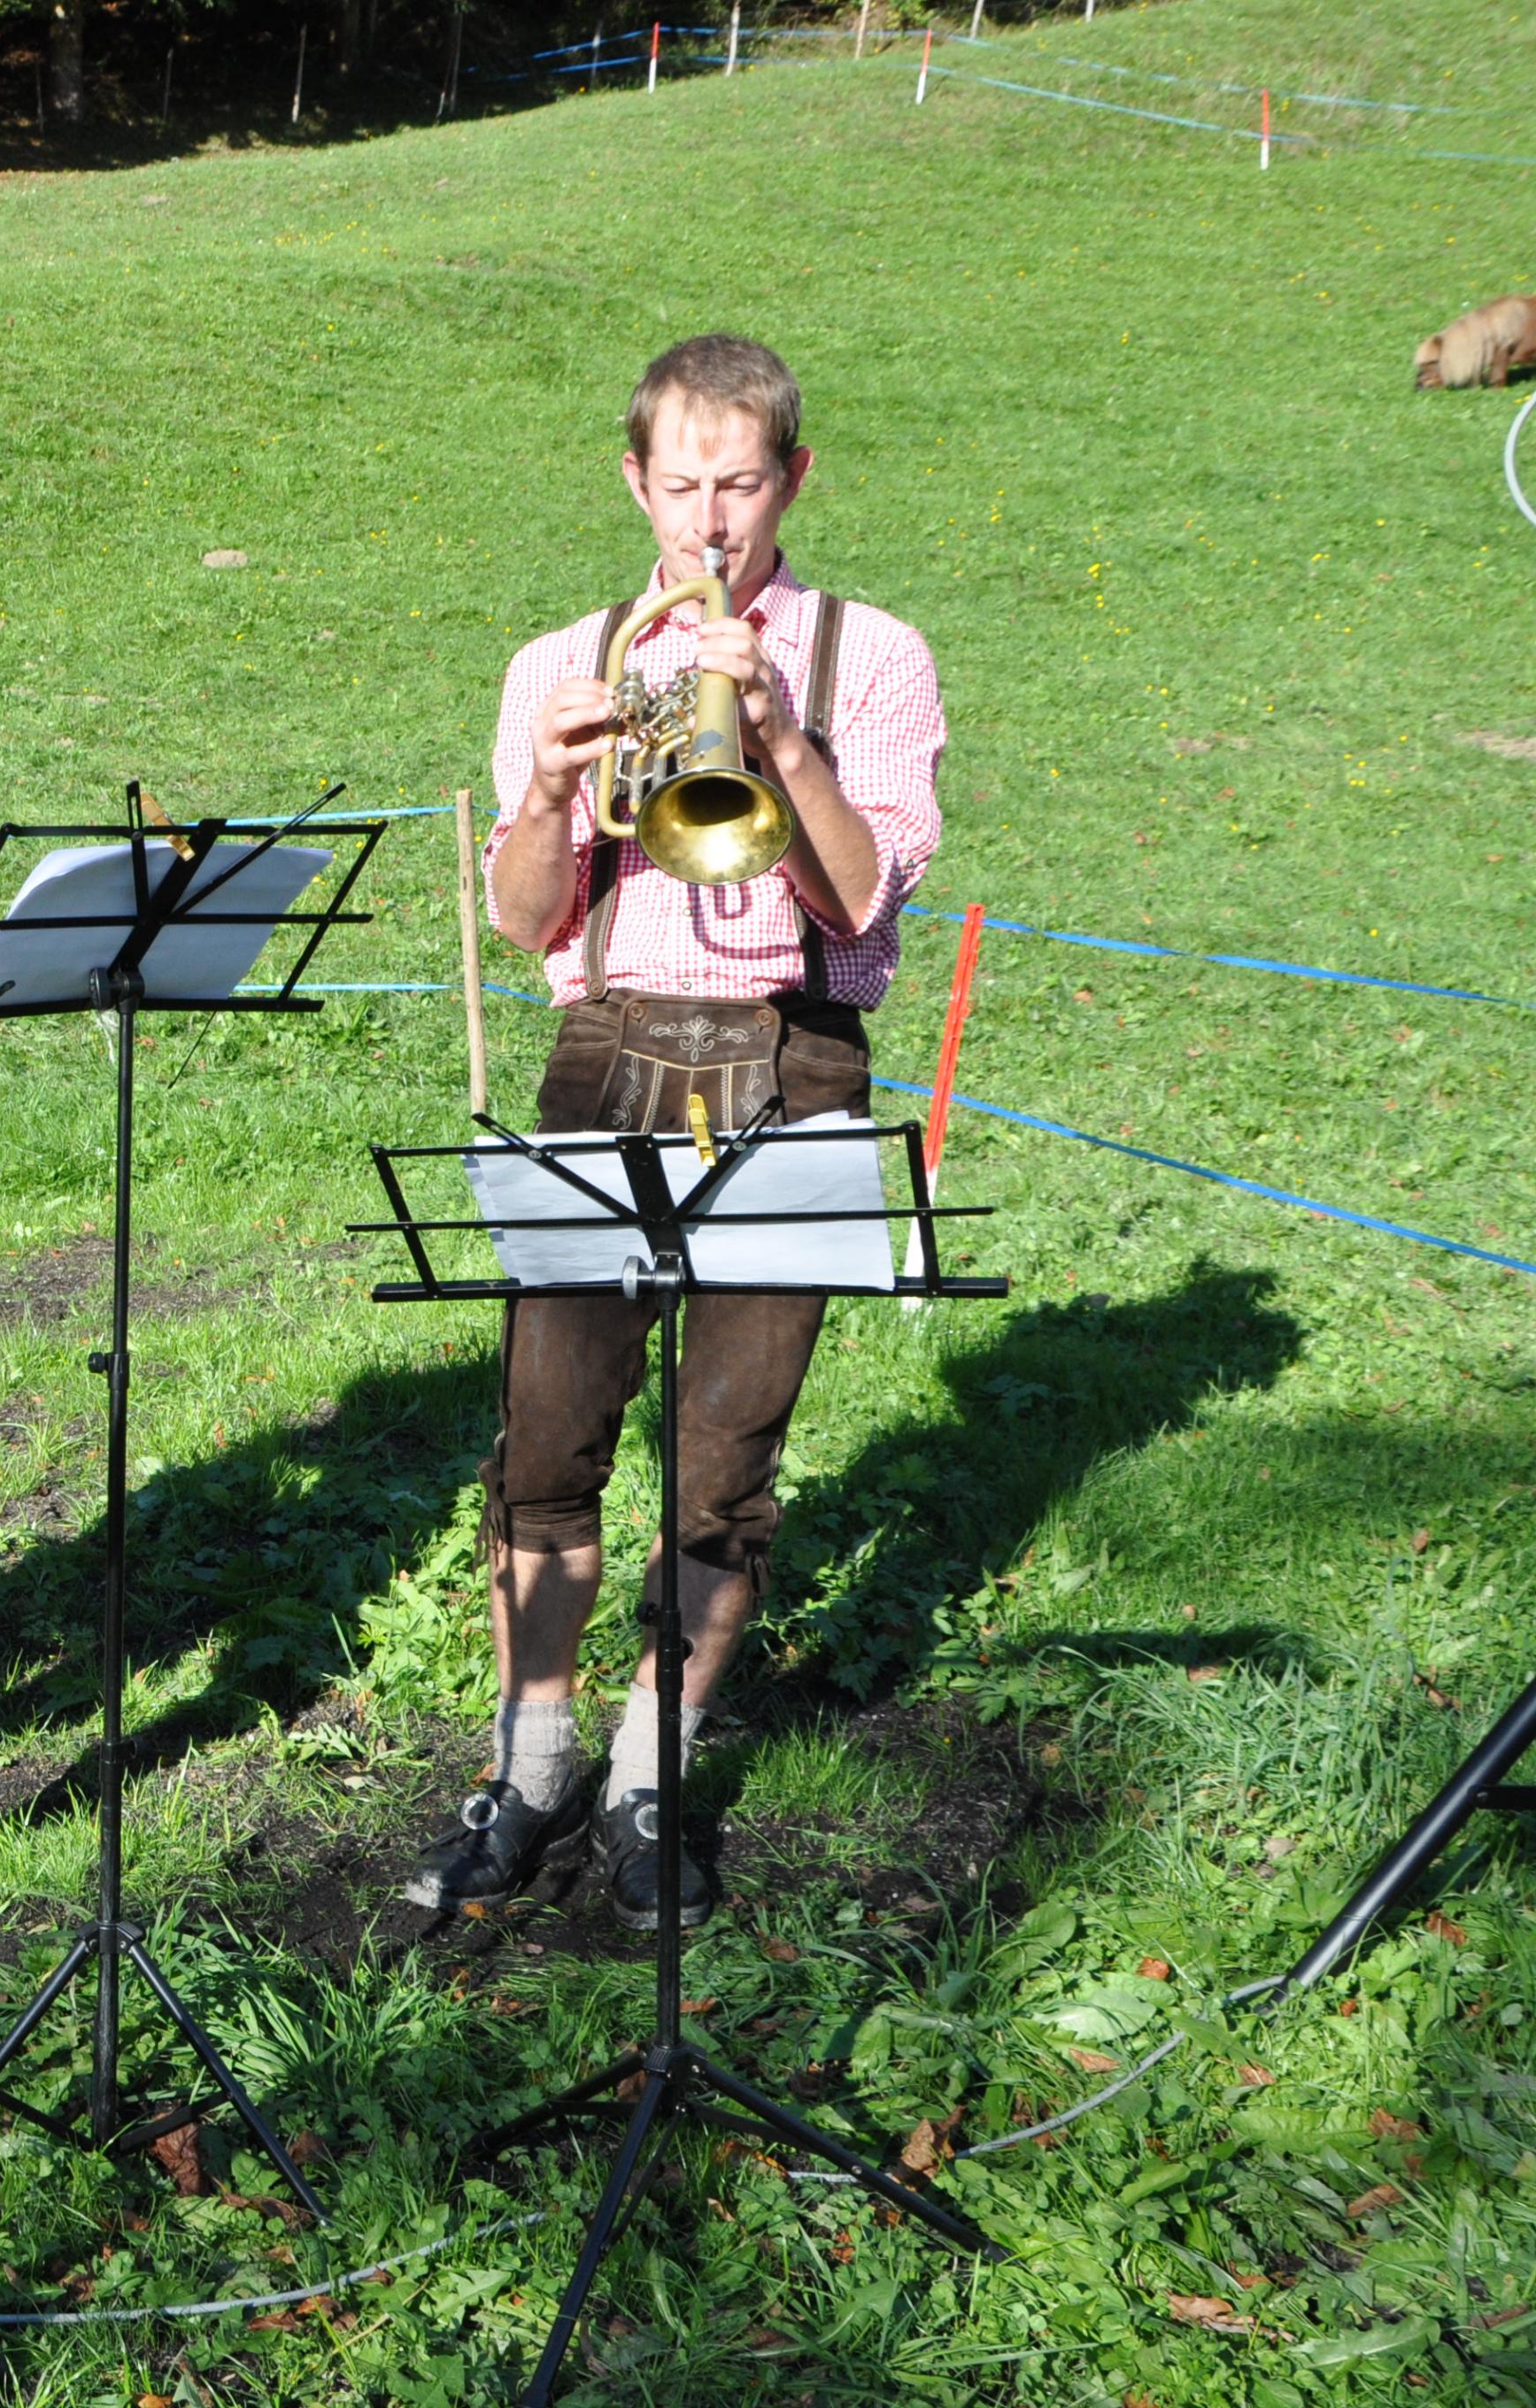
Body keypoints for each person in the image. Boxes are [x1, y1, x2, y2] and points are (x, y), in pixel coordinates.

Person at [405, 333, 946, 1934]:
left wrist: (780, 743)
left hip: (794, 1052)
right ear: (635, 480)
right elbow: (526, 920)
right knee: (546, 1443)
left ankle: (654, 1774)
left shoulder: (870, 653)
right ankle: (534, 1765)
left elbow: (861, 899)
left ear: (795, 479)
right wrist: (547, 794)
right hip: (608, 1050)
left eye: (744, 484)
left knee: (725, 1465)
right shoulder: (559, 659)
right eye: (684, 484)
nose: (712, 520)